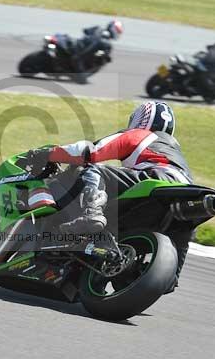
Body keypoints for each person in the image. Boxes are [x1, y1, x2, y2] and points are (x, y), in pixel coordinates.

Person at [25, 101, 193, 281]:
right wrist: (165, 277)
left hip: (159, 178)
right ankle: (172, 276)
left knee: (93, 168)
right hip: (187, 190)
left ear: (139, 119)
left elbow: (90, 152)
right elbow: (183, 235)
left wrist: (47, 154)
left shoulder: (140, 135)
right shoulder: (174, 152)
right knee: (184, 223)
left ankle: (92, 214)